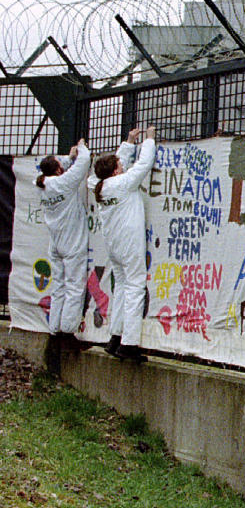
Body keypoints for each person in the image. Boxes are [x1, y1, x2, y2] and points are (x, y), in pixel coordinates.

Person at [90, 126, 157, 362]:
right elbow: (144, 164)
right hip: (129, 244)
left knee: (120, 288)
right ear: (116, 171)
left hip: (114, 246)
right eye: (119, 166)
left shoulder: (98, 185)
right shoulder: (123, 184)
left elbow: (115, 163)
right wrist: (149, 140)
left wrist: (129, 142)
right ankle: (129, 344)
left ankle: (115, 336)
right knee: (135, 287)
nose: (122, 166)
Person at [36, 139, 91, 343]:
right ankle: (68, 331)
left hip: (55, 243)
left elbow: (61, 173)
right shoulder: (63, 183)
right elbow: (84, 162)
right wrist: (82, 146)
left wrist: (68, 158)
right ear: (58, 171)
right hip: (72, 241)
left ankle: (54, 329)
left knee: (58, 287)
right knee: (74, 286)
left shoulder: (41, 184)